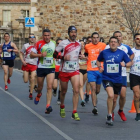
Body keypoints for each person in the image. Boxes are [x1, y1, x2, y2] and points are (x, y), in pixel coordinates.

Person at [97, 36, 132, 126]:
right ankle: (109, 115)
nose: (113, 43)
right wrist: (100, 67)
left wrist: (125, 64)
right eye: (111, 42)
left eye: (114, 42)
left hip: (118, 79)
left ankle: (111, 113)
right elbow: (98, 60)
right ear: (109, 43)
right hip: (107, 77)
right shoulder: (104, 52)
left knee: (115, 99)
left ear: (117, 43)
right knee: (111, 95)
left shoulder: (122, 53)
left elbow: (130, 62)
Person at [53, 26, 83, 121]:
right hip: (64, 70)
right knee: (64, 91)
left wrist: (81, 56)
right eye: (72, 32)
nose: (74, 34)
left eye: (75, 32)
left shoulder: (79, 44)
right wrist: (63, 57)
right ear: (69, 33)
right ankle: (62, 106)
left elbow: (78, 54)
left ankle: (74, 112)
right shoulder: (63, 43)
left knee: (76, 90)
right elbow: (54, 54)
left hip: (75, 70)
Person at [106, 31, 134, 121]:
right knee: (114, 98)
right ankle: (111, 113)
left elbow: (132, 54)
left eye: (119, 36)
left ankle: (121, 110)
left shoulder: (125, 47)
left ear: (121, 38)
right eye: (116, 36)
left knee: (123, 95)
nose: (118, 38)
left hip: (122, 74)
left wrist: (127, 62)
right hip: (110, 75)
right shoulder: (108, 47)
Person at [30, 29, 56, 114]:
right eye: (45, 35)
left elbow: (58, 54)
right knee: (40, 87)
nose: (47, 37)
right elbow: (31, 55)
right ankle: (39, 94)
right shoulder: (38, 43)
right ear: (43, 36)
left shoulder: (54, 43)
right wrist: (40, 55)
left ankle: (48, 106)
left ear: (50, 36)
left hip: (51, 68)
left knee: (49, 87)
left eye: (48, 35)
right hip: (41, 67)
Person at [85, 32, 106, 115]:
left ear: (99, 38)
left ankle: (95, 96)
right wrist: (84, 57)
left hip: (100, 70)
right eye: (94, 37)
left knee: (97, 90)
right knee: (93, 88)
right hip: (91, 70)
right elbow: (86, 53)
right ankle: (95, 107)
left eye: (97, 37)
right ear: (91, 38)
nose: (95, 39)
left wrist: (102, 54)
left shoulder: (103, 45)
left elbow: (106, 57)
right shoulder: (87, 46)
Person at [19, 33, 38, 100]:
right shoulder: (25, 46)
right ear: (29, 38)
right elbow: (20, 53)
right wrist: (22, 61)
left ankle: (31, 93)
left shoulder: (37, 46)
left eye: (33, 37)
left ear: (35, 38)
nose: (32, 38)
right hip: (26, 64)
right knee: (26, 81)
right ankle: (25, 76)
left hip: (34, 65)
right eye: (30, 37)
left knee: (33, 78)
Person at [130, 33, 140, 121]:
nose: (139, 40)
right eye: (137, 38)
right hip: (134, 74)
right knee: (137, 95)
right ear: (134, 40)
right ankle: (138, 113)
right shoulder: (131, 51)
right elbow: (127, 61)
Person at [52, 38, 63, 105]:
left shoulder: (64, 52)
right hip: (55, 70)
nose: (59, 45)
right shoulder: (54, 52)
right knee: (55, 86)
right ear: (56, 44)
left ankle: (59, 98)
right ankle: (55, 90)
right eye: (58, 43)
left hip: (62, 70)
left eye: (61, 43)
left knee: (61, 85)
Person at [79, 40, 87, 107]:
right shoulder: (77, 52)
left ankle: (85, 94)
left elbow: (90, 59)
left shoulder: (86, 52)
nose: (81, 45)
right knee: (81, 84)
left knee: (83, 84)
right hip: (79, 69)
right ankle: (82, 100)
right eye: (80, 44)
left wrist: (84, 57)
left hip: (86, 69)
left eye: (83, 44)